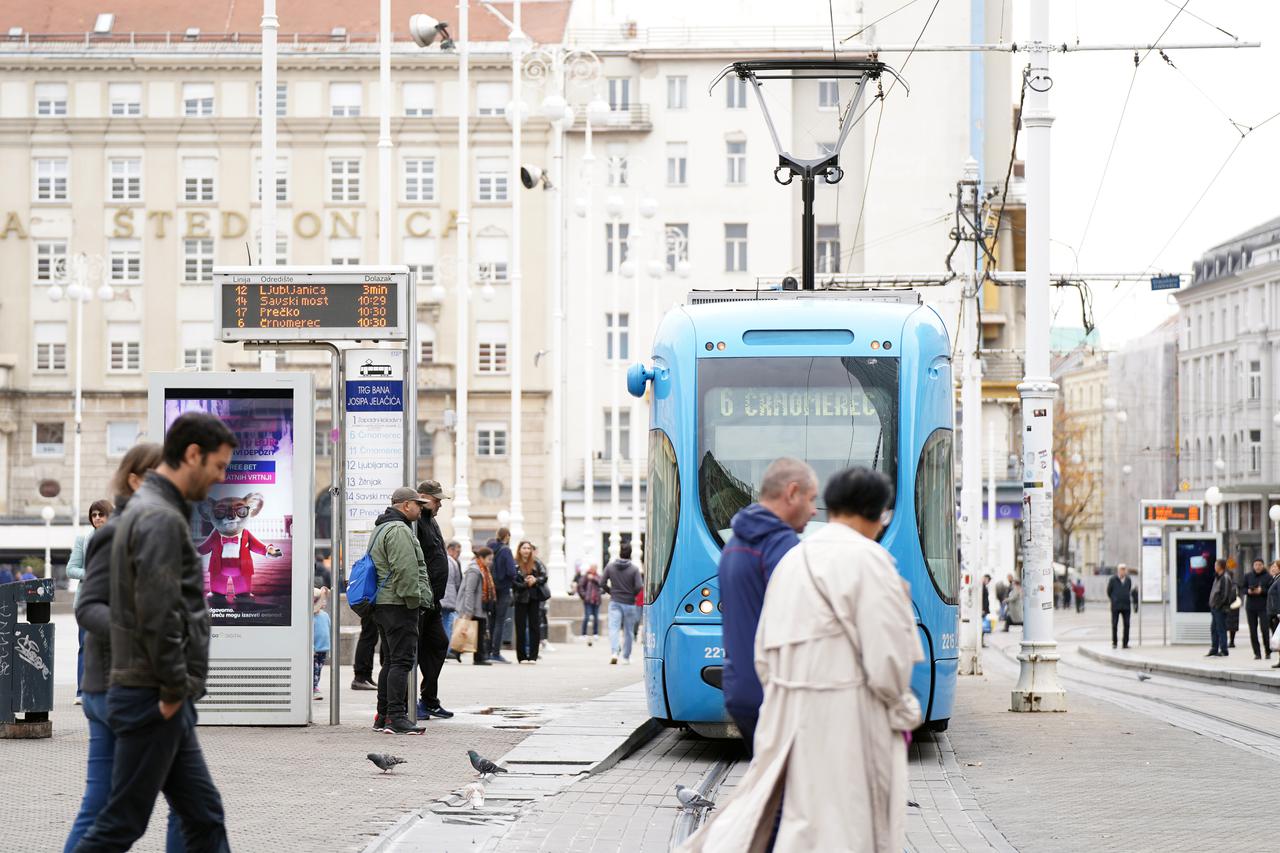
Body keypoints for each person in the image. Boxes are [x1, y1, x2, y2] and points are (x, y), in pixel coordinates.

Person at [678, 467, 922, 853]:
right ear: (878, 513)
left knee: (800, 825)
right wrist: (905, 710)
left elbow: (764, 648)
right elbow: (887, 659)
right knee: (849, 827)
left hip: (791, 717)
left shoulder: (795, 558)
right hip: (849, 720)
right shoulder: (870, 561)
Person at [73, 413, 236, 852]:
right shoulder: (160, 518)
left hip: (155, 692)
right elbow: (159, 615)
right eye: (218, 466)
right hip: (152, 694)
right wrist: (170, 691)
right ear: (192, 454)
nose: (221, 478)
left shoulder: (153, 512)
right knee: (120, 823)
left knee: (202, 816)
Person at [67, 443, 185, 853]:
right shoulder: (118, 532)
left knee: (108, 804)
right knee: (183, 806)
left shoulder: (159, 527)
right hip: (127, 687)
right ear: (136, 479)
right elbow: (88, 607)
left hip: (130, 685)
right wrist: (136, 635)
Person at [717, 457, 816, 752]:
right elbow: (803, 620)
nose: (813, 510)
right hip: (774, 692)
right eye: (811, 499)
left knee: (772, 787)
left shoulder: (735, 542)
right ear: (792, 492)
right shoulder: (779, 546)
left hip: (741, 688)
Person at [368, 487, 432, 735]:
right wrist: (414, 601)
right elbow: (405, 571)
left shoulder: (381, 528)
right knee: (402, 661)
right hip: (399, 603)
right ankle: (395, 717)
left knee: (391, 661)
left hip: (385, 604)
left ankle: (383, 715)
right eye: (418, 504)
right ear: (406, 505)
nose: (420, 508)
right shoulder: (398, 530)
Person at [414, 480, 454, 721]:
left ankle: (429, 699)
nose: (440, 504)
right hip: (421, 599)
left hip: (433, 601)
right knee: (413, 650)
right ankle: (412, 702)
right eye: (437, 499)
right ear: (423, 497)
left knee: (439, 644)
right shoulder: (416, 522)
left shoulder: (431, 520)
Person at [67, 499, 112, 704]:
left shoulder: (120, 537)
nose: (97, 518)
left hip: (113, 601)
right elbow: (71, 569)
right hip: (87, 601)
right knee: (85, 646)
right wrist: (93, 573)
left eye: (100, 514)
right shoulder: (83, 539)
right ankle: (81, 692)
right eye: (93, 515)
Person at [603, 543, 644, 665]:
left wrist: (611, 592)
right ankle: (626, 657)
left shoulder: (610, 567)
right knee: (628, 631)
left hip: (615, 601)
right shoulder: (634, 569)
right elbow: (639, 586)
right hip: (629, 603)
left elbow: (602, 582)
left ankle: (614, 652)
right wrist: (631, 594)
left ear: (620, 552)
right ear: (630, 554)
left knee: (614, 628)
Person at [512, 541, 548, 663]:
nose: (526, 550)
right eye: (524, 548)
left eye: (528, 548)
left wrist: (535, 580)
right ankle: (521, 656)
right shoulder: (514, 563)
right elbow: (513, 581)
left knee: (534, 627)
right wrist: (525, 583)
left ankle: (533, 656)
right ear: (519, 550)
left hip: (534, 598)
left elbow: (544, 576)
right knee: (520, 628)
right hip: (520, 598)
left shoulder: (537, 562)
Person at [457, 547, 494, 665]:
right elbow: (469, 591)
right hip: (473, 608)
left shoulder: (483, 570)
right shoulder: (475, 570)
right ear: (481, 558)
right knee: (472, 632)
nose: (490, 562)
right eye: (489, 559)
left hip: (479, 607)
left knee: (479, 632)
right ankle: (475, 656)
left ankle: (477, 656)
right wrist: (468, 610)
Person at [485, 528, 517, 664]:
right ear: (507, 536)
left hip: (492, 589)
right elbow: (511, 571)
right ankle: (496, 652)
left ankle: (487, 651)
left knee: (491, 621)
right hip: (503, 589)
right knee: (500, 621)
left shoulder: (491, 547)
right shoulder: (506, 550)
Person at [1243, 558, 1273, 660]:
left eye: (1260, 565)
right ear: (1253, 566)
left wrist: (1261, 591)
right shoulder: (1248, 576)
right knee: (1253, 631)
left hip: (1263, 606)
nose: (1258, 567)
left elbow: (1270, 590)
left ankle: (1268, 651)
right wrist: (1248, 591)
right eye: (1256, 565)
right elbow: (1242, 588)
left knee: (1265, 629)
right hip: (1251, 607)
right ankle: (1257, 653)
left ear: (1263, 565)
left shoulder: (1268, 577)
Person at [1207, 559, 1235, 657]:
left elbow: (1226, 594)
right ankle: (1214, 648)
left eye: (1216, 565)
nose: (1214, 567)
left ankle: (1224, 650)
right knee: (1214, 628)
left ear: (1220, 566)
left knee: (1221, 629)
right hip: (1215, 607)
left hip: (1220, 608)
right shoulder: (1217, 577)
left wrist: (1219, 605)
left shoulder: (1225, 578)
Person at [572, 564, 603, 645]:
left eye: (595, 568)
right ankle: (583, 634)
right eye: (592, 568)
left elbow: (601, 583)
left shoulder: (598, 576)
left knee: (596, 617)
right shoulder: (585, 576)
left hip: (596, 600)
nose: (594, 569)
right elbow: (580, 586)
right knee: (587, 617)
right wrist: (584, 596)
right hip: (588, 600)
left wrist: (593, 578)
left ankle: (595, 634)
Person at [442, 540, 463, 661]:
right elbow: (457, 582)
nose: (458, 554)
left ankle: (445, 649)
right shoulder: (453, 562)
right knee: (446, 624)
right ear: (450, 549)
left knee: (445, 623)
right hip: (449, 598)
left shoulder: (446, 560)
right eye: (457, 551)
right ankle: (446, 650)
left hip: (443, 598)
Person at [1107, 565, 1133, 649]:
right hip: (1116, 606)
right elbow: (1109, 591)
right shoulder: (1112, 579)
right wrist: (1113, 599)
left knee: (1127, 624)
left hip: (1126, 606)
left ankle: (1125, 643)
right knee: (1114, 624)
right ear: (1118, 571)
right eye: (1121, 570)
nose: (1123, 571)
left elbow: (1129, 589)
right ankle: (1114, 642)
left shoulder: (1128, 580)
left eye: (1124, 570)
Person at [313, 587, 331, 700]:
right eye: (321, 600)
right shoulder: (311, 617)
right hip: (314, 650)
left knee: (319, 669)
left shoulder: (325, 616)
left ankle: (315, 686)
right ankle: (314, 688)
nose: (324, 602)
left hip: (323, 649)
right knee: (314, 670)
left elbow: (329, 631)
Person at [1267, 560, 1280, 669]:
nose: (1273, 568)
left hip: (1277, 613)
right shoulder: (1275, 579)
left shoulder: (1279, 580)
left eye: (1275, 566)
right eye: (1272, 566)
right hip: (1273, 612)